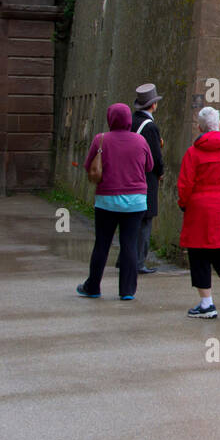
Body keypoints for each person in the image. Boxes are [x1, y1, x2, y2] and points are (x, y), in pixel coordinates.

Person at [77, 103, 154, 302]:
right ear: (128, 119)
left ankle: (93, 286)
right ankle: (127, 290)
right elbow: (149, 165)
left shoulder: (100, 139)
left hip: (107, 201)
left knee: (102, 244)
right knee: (129, 244)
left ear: (110, 118)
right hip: (136, 201)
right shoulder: (140, 140)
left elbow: (89, 166)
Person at [178, 106, 220, 319]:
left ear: (199, 128)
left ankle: (207, 304)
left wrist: (184, 203)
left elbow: (185, 184)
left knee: (198, 253)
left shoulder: (193, 153)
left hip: (201, 207)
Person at [129, 83, 164, 273]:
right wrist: (161, 172)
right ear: (153, 105)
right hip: (146, 177)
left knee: (132, 221)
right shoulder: (150, 127)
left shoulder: (131, 122)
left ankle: (125, 258)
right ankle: (139, 262)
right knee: (145, 220)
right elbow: (155, 157)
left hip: (130, 176)